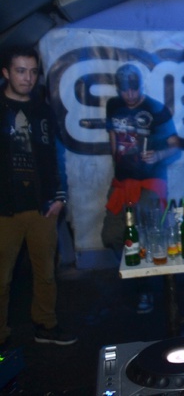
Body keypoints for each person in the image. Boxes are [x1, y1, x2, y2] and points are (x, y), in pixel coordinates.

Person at [0, 46, 76, 346]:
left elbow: (55, 155)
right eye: (20, 71)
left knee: (45, 273)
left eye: (33, 72)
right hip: (4, 209)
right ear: (5, 72)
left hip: (41, 207)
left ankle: (45, 325)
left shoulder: (43, 110)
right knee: (1, 279)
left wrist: (60, 196)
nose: (27, 78)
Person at [101, 63, 180, 313]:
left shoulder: (157, 109)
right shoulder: (113, 105)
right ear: (118, 89)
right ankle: (136, 273)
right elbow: (113, 137)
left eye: (134, 90)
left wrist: (158, 155)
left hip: (150, 182)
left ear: (141, 86)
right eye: (125, 90)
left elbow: (175, 145)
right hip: (123, 182)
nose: (130, 95)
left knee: (147, 234)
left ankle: (145, 288)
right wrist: (117, 163)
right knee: (111, 235)